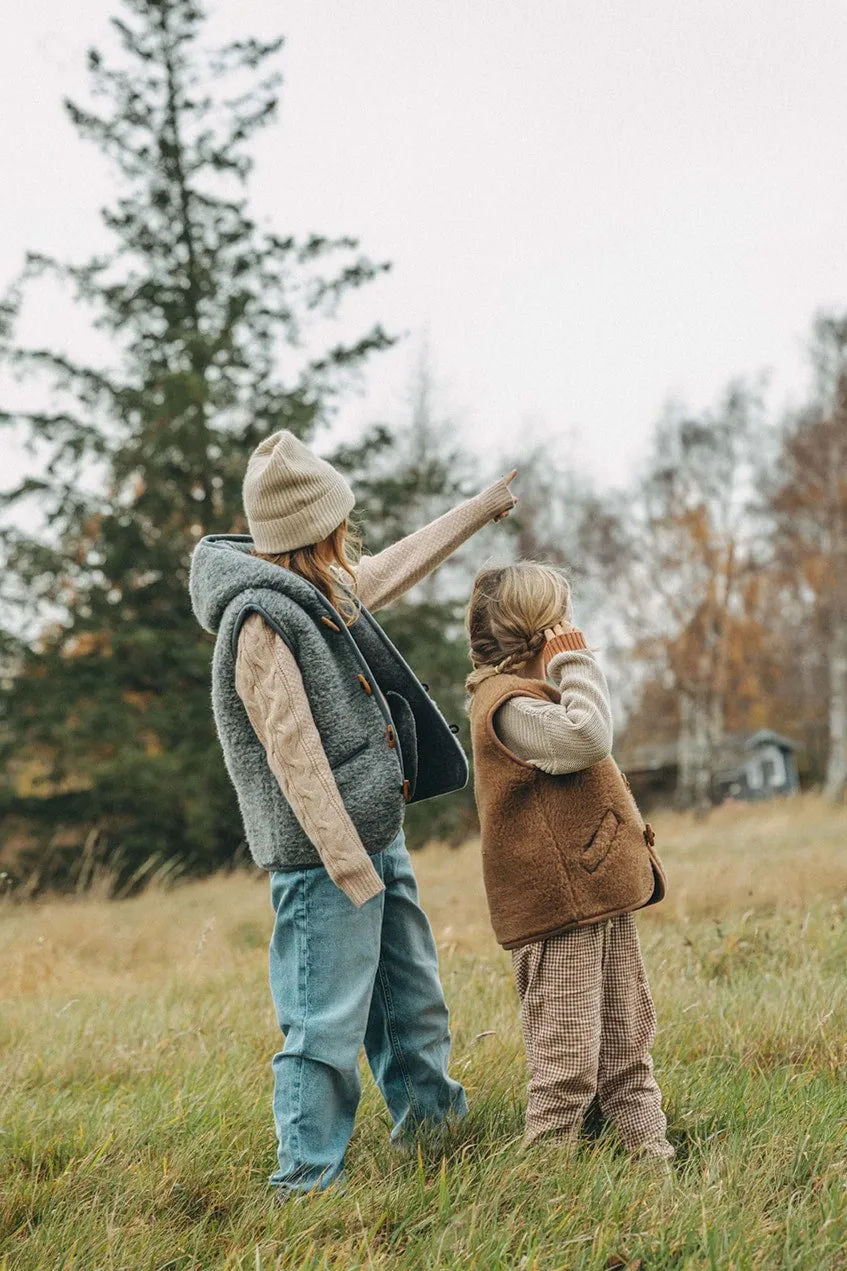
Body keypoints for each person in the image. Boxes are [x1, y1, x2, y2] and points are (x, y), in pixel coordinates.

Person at [189, 430, 517, 1195]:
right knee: (322, 1027)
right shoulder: (261, 620)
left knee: (413, 1002)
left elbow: (387, 567)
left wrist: (476, 509)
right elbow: (294, 760)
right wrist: (349, 867)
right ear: (314, 525)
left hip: (374, 839)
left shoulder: (322, 588)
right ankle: (305, 1179)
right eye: (339, 517)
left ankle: (436, 1136)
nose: (350, 531)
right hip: (324, 860)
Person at [465, 562, 673, 1163]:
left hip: (596, 895)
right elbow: (587, 739)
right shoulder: (507, 706)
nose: (572, 627)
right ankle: (548, 1181)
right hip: (559, 912)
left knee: (625, 1045)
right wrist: (576, 660)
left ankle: (650, 1160)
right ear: (544, 629)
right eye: (563, 617)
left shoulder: (533, 698)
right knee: (567, 1061)